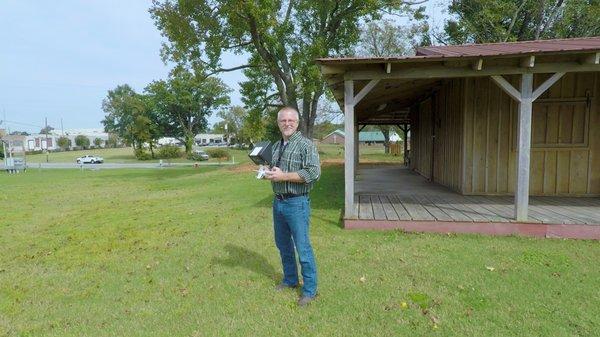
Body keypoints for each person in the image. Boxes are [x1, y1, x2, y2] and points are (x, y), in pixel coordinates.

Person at [264, 106, 321, 307]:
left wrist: (283, 176)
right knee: (283, 245)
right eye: (283, 121)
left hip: (297, 203)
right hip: (278, 202)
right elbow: (276, 169)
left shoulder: (306, 145)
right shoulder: (277, 145)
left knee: (302, 248)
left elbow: (313, 173)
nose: (287, 124)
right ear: (278, 123)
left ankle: (310, 290)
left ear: (297, 123)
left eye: (291, 121)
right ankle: (290, 280)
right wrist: (268, 172)